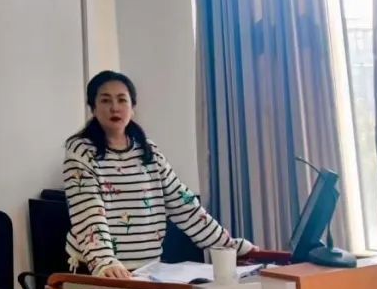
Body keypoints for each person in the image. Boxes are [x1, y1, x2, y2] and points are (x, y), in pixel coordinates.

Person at [63, 70, 255, 278]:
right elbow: (87, 210)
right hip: (99, 270)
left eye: (122, 100)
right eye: (105, 100)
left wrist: (227, 246)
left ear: (132, 107)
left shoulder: (149, 151)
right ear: (93, 108)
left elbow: (183, 203)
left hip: (148, 269)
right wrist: (104, 262)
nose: (115, 107)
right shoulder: (81, 151)